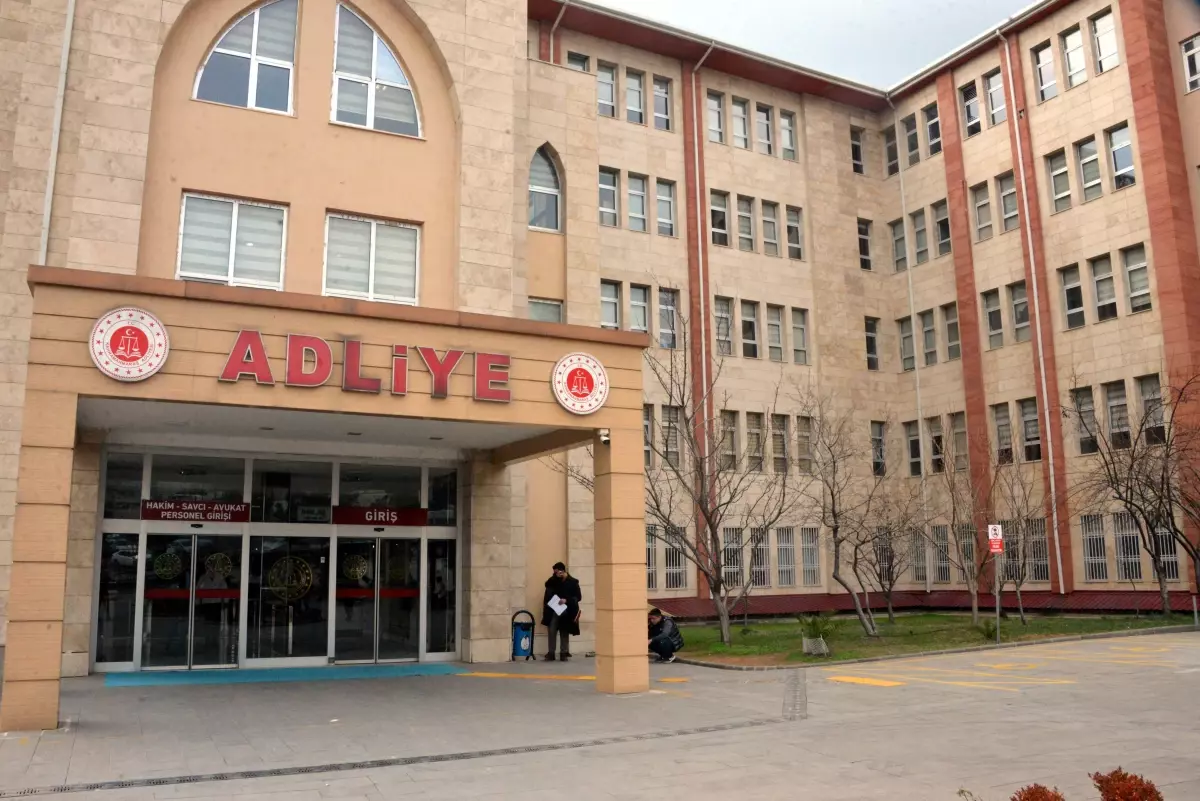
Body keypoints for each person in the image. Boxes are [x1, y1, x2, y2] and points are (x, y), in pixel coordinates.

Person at [541, 562, 582, 661]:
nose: (556, 574)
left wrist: (566, 600)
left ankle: (563, 653)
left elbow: (578, 597)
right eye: (554, 572)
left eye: (557, 572)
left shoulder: (573, 582)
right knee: (552, 630)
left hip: (566, 611)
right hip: (554, 610)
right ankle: (551, 653)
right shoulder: (554, 581)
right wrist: (555, 578)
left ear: (563, 571)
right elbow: (547, 585)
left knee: (564, 630)